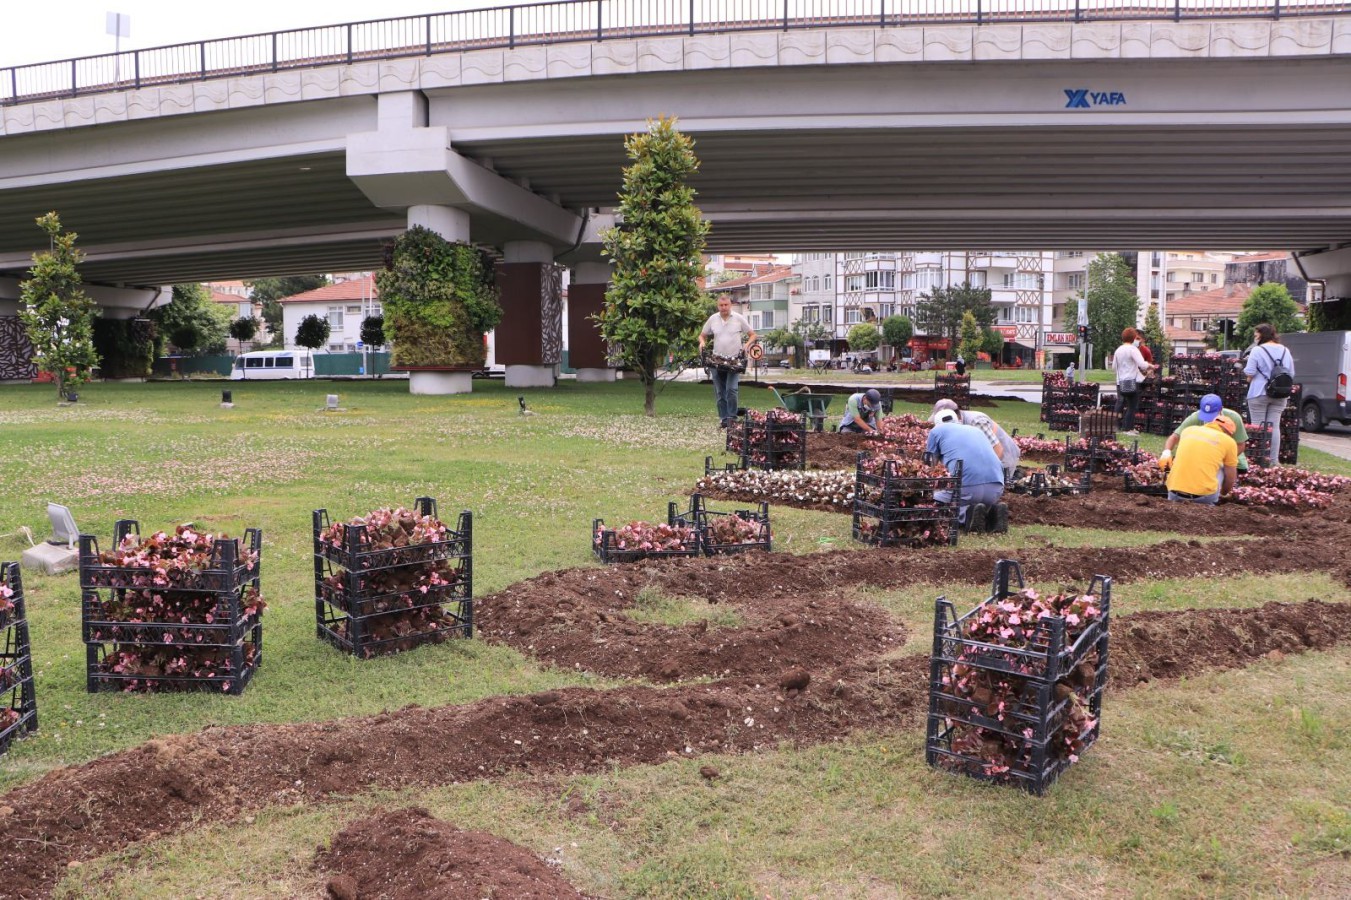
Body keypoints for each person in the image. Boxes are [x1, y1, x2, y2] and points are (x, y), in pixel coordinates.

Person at [926, 409, 1008, 533]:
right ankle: (993, 512)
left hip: (968, 489)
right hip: (996, 488)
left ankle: (965, 516)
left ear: (936, 423)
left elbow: (929, 465)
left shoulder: (936, 431)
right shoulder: (976, 430)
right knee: (975, 499)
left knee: (934, 499)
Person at [698, 296, 756, 428]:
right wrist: (702, 343)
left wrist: (746, 345)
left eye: (726, 305)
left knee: (731, 390)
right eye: (721, 305)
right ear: (718, 306)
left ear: (730, 305)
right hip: (717, 360)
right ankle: (724, 419)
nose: (724, 308)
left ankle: (732, 418)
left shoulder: (738, 318)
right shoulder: (713, 319)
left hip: (734, 361)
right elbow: (702, 335)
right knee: (720, 391)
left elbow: (753, 334)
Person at [931, 398, 1020, 482]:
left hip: (1004, 457)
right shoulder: (957, 425)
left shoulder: (977, 421)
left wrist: (986, 473)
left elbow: (998, 450)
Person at [1244, 323, 1296, 466]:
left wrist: (1249, 379)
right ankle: (1273, 461)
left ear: (1262, 335)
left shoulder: (1257, 350)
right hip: (1280, 393)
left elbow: (1250, 372)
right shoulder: (1285, 351)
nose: (1255, 338)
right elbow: (1291, 373)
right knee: (1274, 427)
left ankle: (1258, 459)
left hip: (1259, 392)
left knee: (1258, 427)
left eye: (1256, 335)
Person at [1159, 393, 1250, 475]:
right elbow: (1174, 437)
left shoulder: (1234, 417)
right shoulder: (1195, 417)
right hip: (1203, 456)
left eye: (1212, 415)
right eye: (1206, 415)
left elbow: (1241, 445)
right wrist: (1166, 452)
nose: (1209, 419)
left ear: (1221, 409)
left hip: (1229, 458)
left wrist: (1223, 460)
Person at [1164, 415, 1238, 505]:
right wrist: (1224, 493)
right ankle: (1211, 505)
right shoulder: (1229, 441)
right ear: (1229, 433)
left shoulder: (1188, 430)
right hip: (1203, 497)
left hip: (1173, 492)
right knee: (1223, 467)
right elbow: (1230, 478)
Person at [1112, 327, 1155, 436]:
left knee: (1120, 403)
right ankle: (1128, 429)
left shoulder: (1118, 350)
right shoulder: (1133, 349)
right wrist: (1150, 365)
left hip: (1120, 381)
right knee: (1132, 405)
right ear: (1133, 338)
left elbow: (1113, 367)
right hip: (1131, 380)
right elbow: (1142, 364)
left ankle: (1116, 426)